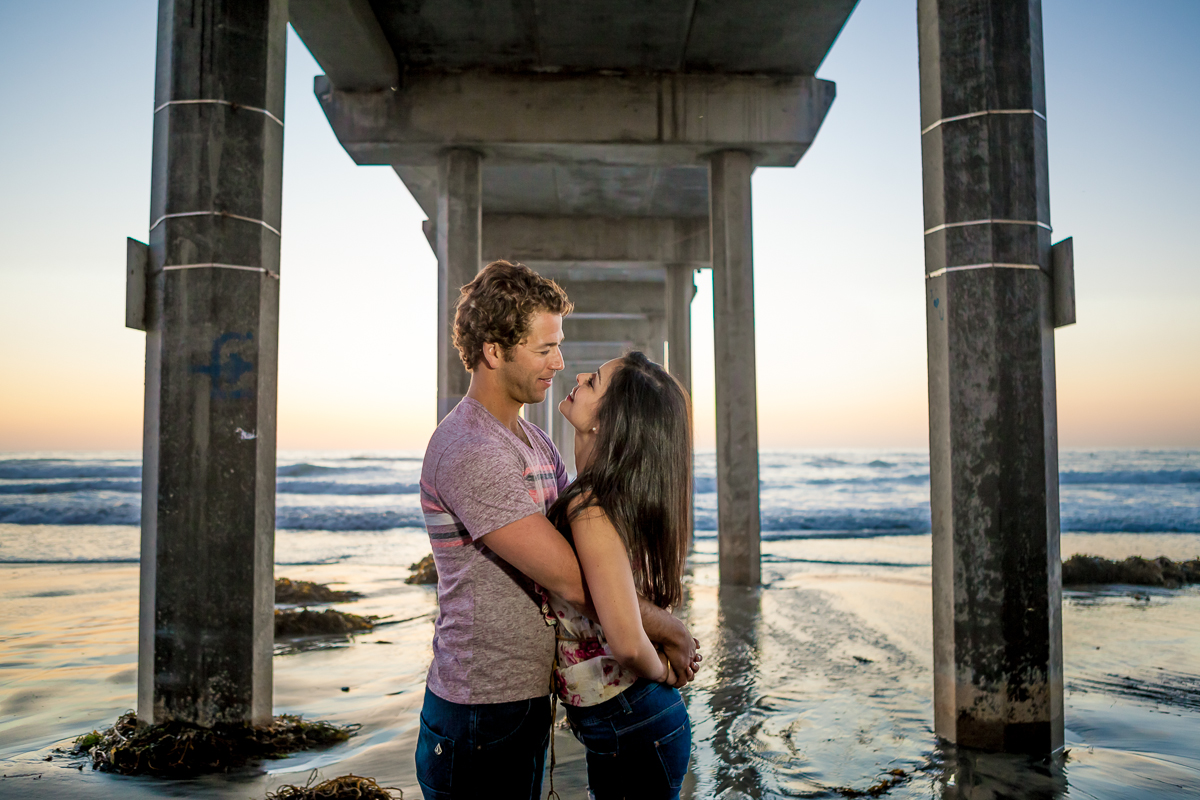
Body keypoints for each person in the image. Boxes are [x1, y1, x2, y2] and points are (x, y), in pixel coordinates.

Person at [415, 261, 701, 800]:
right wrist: (668, 628)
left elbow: (601, 553)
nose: (560, 362)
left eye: (559, 345)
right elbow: (578, 581)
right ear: (495, 353)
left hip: (523, 701)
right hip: (480, 707)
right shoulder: (471, 451)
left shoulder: (534, 441)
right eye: (544, 349)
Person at [546, 351, 694, 799]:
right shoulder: (621, 497)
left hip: (632, 720)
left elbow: (628, 643)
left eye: (592, 382)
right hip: (630, 723)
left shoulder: (590, 503)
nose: (577, 377)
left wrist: (666, 676)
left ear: (607, 424)